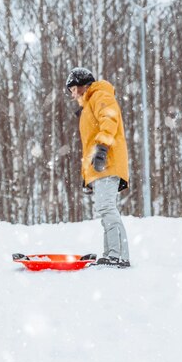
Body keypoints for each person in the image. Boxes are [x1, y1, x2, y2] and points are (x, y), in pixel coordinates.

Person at [66, 67, 130, 268]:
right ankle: (112, 254)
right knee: (104, 209)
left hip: (108, 161)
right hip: (100, 166)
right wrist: (87, 176)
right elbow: (88, 145)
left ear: (85, 84)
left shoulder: (100, 95)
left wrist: (102, 149)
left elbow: (109, 119)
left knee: (107, 208)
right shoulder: (87, 105)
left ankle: (118, 256)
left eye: (74, 89)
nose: (73, 94)